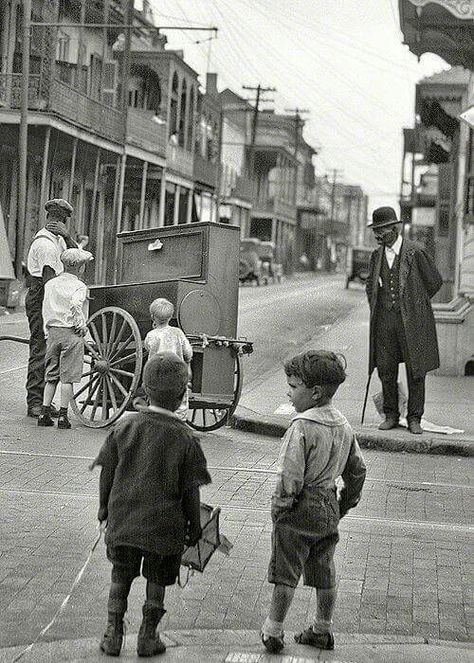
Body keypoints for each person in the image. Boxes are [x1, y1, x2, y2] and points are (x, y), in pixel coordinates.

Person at [92, 352, 211, 657]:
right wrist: (195, 528)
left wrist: (104, 510)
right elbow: (190, 491)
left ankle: (113, 633)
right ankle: (148, 636)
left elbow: (107, 472)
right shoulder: (186, 439)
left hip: (125, 521)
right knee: (157, 579)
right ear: (183, 395)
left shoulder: (123, 429)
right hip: (164, 528)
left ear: (143, 390)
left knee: (120, 575)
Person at [261, 350, 366, 654]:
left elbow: (290, 474)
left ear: (315, 392)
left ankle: (274, 629)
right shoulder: (344, 425)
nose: (289, 392)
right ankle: (322, 628)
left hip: (299, 507)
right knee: (325, 568)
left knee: (286, 570)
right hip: (328, 504)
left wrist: (280, 507)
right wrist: (345, 502)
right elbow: (357, 469)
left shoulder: (302, 426)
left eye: (293, 387)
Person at [366, 207, 443, 435]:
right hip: (384, 323)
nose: (378, 236)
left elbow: (435, 281)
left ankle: (414, 417)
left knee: (416, 370)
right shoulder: (376, 255)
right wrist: (377, 308)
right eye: (375, 231)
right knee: (386, 369)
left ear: (395, 229)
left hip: (413, 323)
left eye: (382, 231)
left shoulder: (415, 252)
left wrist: (415, 303)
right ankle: (391, 415)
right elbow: (370, 285)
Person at [25, 198, 77, 418]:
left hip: (51, 291)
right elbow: (48, 282)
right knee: (41, 348)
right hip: (42, 294)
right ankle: (35, 402)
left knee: (47, 348)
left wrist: (67, 236)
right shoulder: (46, 244)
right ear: (57, 219)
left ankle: (41, 399)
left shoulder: (59, 240)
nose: (59, 223)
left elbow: (77, 258)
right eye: (59, 220)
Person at [38, 248, 93, 430]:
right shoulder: (80, 286)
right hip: (71, 333)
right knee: (67, 378)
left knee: (51, 375)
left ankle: (43, 413)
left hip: (53, 332)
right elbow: (76, 304)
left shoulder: (50, 284)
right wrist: (81, 324)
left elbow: (45, 309)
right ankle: (63, 417)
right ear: (81, 267)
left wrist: (48, 331)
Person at [144, 298, 193, 420]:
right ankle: (179, 421)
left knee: (157, 397)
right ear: (171, 317)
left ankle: (158, 420)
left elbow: (147, 347)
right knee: (179, 398)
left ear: (152, 316)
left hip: (157, 373)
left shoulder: (151, 335)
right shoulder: (178, 333)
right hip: (176, 372)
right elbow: (188, 353)